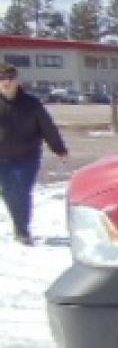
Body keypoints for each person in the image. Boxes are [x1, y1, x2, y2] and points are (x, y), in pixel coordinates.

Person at [0, 64, 69, 245]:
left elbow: (47, 127)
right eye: (2, 78)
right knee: (8, 193)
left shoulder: (31, 103)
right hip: (2, 158)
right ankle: (19, 224)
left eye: (10, 78)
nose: (6, 82)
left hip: (27, 157)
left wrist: (59, 149)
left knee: (22, 192)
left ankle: (22, 231)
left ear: (17, 81)